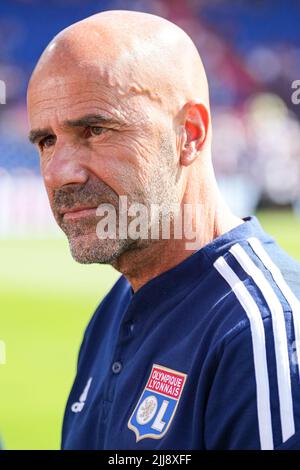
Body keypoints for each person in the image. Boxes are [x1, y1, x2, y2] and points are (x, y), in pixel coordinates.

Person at [27, 10, 300, 450]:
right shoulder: (117, 307)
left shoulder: (263, 333)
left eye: (95, 130)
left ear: (189, 134)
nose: (60, 172)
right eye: (46, 142)